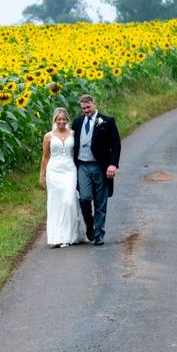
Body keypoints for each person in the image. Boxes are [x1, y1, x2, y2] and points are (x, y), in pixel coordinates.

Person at [71, 94, 121, 245]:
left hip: (100, 167)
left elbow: (116, 144)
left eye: (88, 107)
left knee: (100, 202)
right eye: (83, 108)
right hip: (83, 166)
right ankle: (90, 224)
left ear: (94, 104)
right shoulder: (78, 122)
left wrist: (113, 164)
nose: (86, 110)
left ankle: (99, 233)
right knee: (84, 198)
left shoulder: (107, 121)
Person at [39, 107, 86, 247]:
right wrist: (42, 175)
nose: (61, 121)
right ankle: (57, 237)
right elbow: (45, 157)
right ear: (55, 120)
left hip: (70, 170)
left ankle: (70, 235)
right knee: (56, 203)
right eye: (59, 119)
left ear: (67, 120)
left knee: (69, 201)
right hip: (54, 171)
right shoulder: (49, 136)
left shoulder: (72, 133)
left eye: (64, 119)